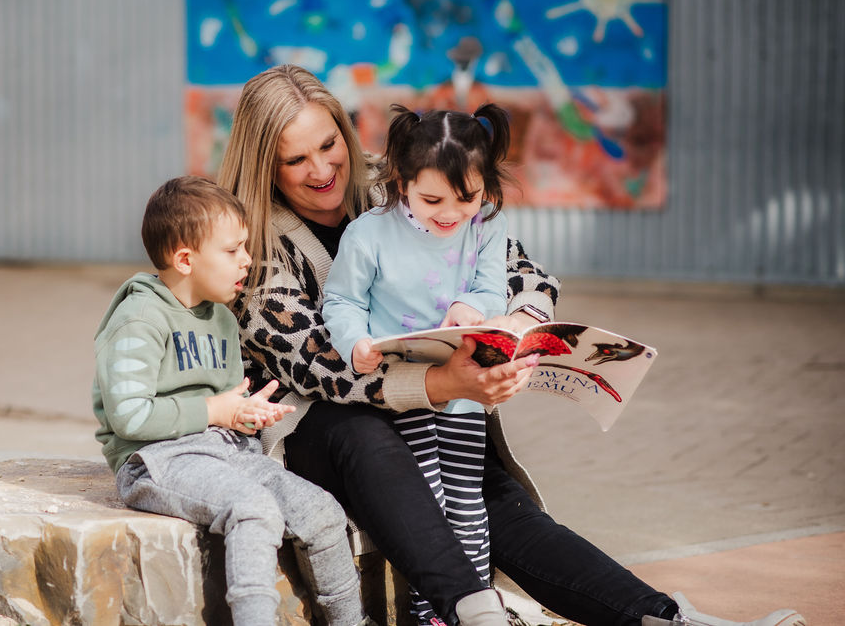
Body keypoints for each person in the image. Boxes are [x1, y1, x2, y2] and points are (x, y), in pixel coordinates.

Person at [217, 64, 806, 626]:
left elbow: (515, 264)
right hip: (320, 426)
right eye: (295, 159)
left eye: (329, 144)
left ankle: (659, 617)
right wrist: (442, 383)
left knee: (493, 495)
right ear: (264, 165)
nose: (322, 169)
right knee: (366, 438)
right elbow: (317, 363)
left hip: (433, 404)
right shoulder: (248, 237)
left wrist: (520, 325)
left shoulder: (398, 177)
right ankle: (473, 611)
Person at [92, 175, 371, 626]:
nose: (247, 260)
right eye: (232, 250)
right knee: (253, 509)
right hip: (156, 458)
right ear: (185, 259)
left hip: (222, 449)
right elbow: (129, 415)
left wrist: (244, 413)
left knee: (322, 513)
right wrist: (212, 411)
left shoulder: (221, 317)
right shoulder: (139, 317)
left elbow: (224, 404)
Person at [322, 102, 522, 624]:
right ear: (401, 180)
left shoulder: (487, 228)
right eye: (432, 199)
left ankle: (477, 606)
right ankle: (430, 610)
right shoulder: (369, 234)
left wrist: (473, 308)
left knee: (466, 500)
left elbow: (492, 288)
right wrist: (356, 344)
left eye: (468, 197)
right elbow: (341, 302)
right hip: (403, 390)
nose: (451, 213)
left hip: (462, 396)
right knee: (425, 503)